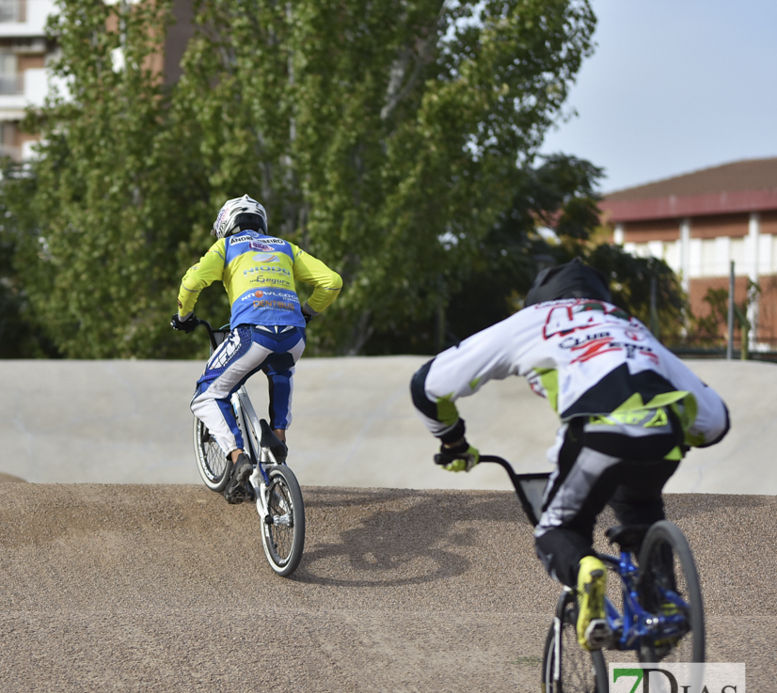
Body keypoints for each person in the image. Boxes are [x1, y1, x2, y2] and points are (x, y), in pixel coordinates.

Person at [410, 258, 729, 650]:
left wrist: (453, 442)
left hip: (597, 434)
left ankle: (585, 568)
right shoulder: (628, 324)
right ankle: (660, 605)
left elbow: (428, 384)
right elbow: (715, 422)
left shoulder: (532, 321)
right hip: (665, 434)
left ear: (540, 298)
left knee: (557, 530)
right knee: (640, 505)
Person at [171, 194, 343, 504]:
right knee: (281, 371)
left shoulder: (226, 246)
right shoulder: (285, 247)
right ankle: (278, 443)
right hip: (294, 336)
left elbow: (193, 280)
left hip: (253, 333)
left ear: (226, 224)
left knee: (207, 395)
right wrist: (307, 312)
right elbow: (331, 282)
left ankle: (239, 459)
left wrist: (183, 316)